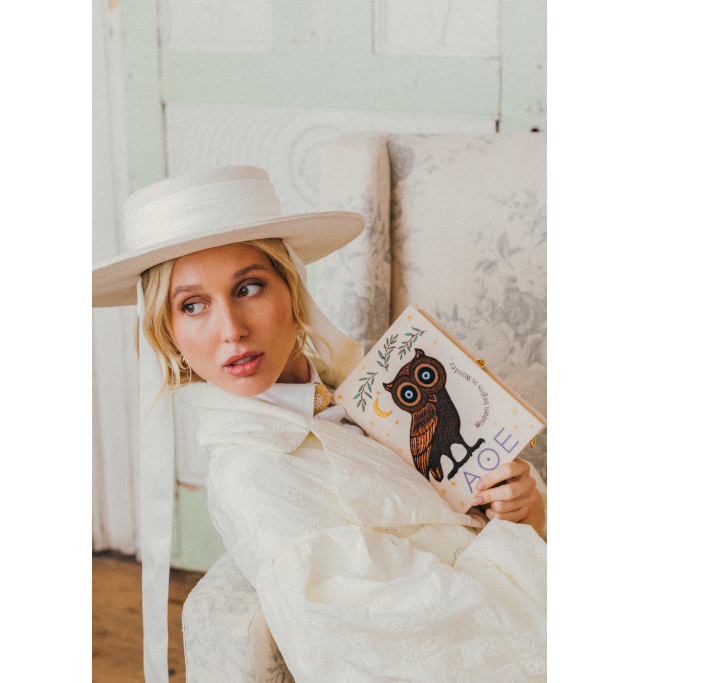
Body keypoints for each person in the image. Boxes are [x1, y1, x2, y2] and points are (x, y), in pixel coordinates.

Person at [93, 166, 547, 681]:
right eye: (192, 305)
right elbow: (413, 637)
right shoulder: (254, 481)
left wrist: (519, 508)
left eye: (248, 287)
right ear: (169, 334)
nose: (232, 330)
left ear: (293, 289)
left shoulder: (361, 388)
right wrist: (514, 541)